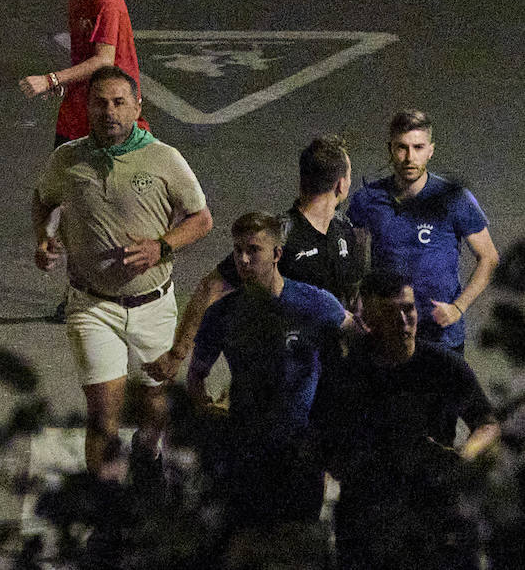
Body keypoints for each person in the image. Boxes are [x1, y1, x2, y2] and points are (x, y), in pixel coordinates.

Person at [31, 65, 213, 477]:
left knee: (155, 406)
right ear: (87, 107)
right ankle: (105, 510)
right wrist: (43, 239)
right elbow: (43, 200)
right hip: (92, 307)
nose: (109, 111)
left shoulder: (164, 159)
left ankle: (148, 452)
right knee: (102, 414)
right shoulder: (67, 159)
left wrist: (161, 246)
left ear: (137, 107)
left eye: (118, 102)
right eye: (99, 103)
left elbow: (202, 219)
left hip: (153, 305)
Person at [311, 270, 500, 569]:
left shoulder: (443, 365)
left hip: (432, 508)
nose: (403, 320)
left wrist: (462, 458)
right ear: (369, 319)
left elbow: (486, 423)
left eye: (408, 308)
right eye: (390, 312)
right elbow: (322, 442)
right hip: (367, 515)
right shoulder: (346, 375)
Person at [146, 133, 363, 382]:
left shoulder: (343, 229)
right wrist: (177, 354)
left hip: (337, 371)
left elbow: (354, 298)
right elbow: (213, 286)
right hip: (284, 373)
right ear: (341, 184)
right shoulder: (280, 234)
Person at [18, 0, 148, 324]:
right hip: (81, 104)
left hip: (113, 106)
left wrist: (51, 79)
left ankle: (124, 283)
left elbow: (104, 60)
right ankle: (53, 249)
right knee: (60, 188)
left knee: (114, 199)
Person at [186, 211, 353, 531]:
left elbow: (357, 338)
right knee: (247, 541)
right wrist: (207, 413)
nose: (244, 260)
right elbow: (196, 375)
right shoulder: (222, 314)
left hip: (300, 450)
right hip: (246, 451)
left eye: (253, 250)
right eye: (238, 251)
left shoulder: (311, 303)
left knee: (297, 541)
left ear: (277, 254)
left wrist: (339, 416)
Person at [348, 109, 499, 354]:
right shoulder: (368, 199)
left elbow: (489, 257)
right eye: (402, 148)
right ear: (390, 149)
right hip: (388, 333)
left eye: (418, 147)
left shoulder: (454, 199)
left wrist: (457, 308)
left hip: (441, 337)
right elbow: (353, 261)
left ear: (430, 150)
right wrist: (360, 302)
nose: (410, 157)